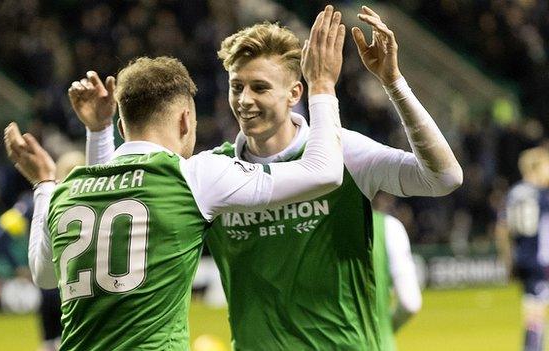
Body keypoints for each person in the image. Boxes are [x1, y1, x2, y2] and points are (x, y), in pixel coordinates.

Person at [75, 5, 462, 350]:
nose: (244, 100)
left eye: (260, 87)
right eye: (236, 86)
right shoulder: (213, 175)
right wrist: (101, 132)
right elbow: (121, 197)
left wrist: (393, 83)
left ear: (295, 92)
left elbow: (443, 178)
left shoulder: (343, 150)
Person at [6, 9, 347, 349]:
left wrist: (45, 184)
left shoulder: (71, 188)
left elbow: (44, 273)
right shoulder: (193, 176)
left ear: (122, 128)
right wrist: (322, 86)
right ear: (185, 120)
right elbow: (325, 172)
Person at [0, 150, 83, 351]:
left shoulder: (38, 199)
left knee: (50, 342)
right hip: (82, 288)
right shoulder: (95, 198)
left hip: (50, 284)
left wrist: (19, 266)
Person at [495, 146, 549, 351]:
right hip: (542, 259)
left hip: (523, 259)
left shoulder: (514, 193)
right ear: (536, 168)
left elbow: (501, 230)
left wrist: (508, 261)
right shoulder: (542, 194)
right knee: (535, 314)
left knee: (533, 310)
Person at [372, 210, 422, 351]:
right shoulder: (387, 227)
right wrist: (385, 329)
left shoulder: (306, 226)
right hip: (376, 344)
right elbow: (410, 304)